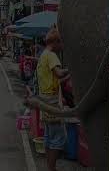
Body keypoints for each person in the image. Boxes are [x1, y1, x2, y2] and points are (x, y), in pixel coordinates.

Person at [35, 28, 69, 171]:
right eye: (61, 42)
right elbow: (59, 73)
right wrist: (71, 69)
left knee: (49, 137)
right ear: (55, 42)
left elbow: (55, 79)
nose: (62, 46)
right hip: (53, 101)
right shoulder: (52, 56)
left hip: (44, 100)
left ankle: (50, 167)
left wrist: (68, 77)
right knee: (59, 137)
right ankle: (52, 168)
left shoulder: (43, 56)